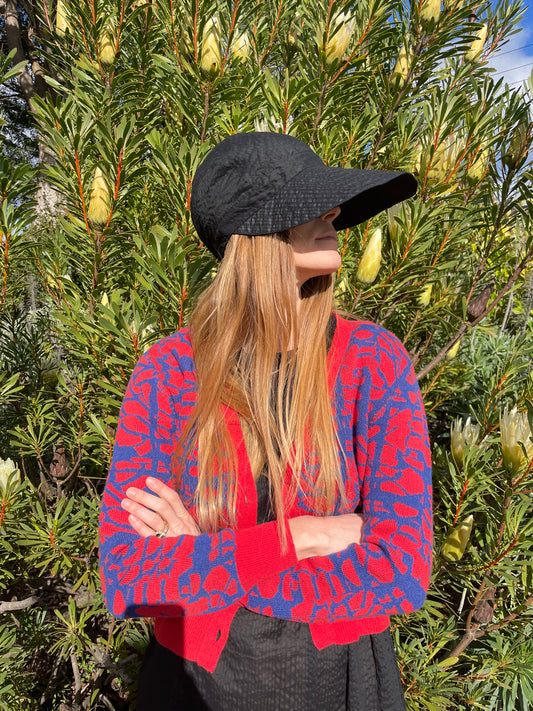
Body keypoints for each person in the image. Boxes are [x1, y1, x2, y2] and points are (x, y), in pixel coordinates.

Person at [99, 132, 433, 710]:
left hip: (339, 684)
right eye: (311, 204)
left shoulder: (375, 362)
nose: (335, 213)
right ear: (255, 239)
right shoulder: (169, 372)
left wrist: (205, 557)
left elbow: (401, 568)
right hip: (191, 687)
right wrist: (305, 536)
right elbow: (128, 576)